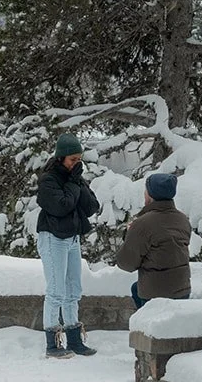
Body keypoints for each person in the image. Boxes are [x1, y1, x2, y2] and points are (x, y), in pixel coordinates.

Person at [35, 133, 102, 358]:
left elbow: (92, 206)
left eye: (79, 159)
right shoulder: (48, 180)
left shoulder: (75, 178)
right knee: (56, 290)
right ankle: (52, 342)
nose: (76, 163)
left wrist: (77, 183)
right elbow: (61, 206)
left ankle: (74, 337)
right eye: (72, 159)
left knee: (74, 289)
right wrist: (73, 183)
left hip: (72, 237)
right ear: (61, 157)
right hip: (53, 237)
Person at [115, 172, 192, 308]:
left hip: (155, 293)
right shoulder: (182, 219)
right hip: (182, 289)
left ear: (150, 194)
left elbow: (126, 264)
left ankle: (142, 325)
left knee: (138, 290)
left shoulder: (143, 224)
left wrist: (131, 234)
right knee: (135, 288)